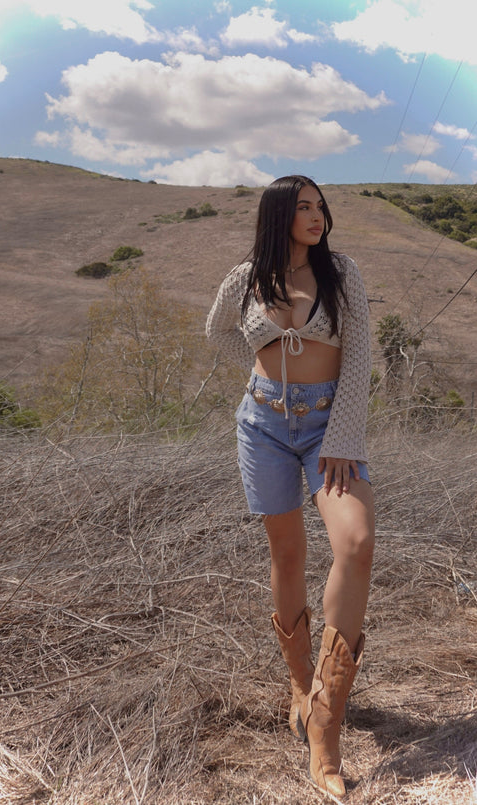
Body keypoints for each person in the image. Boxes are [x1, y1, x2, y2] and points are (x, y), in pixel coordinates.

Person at [206, 175, 375, 799]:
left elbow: (360, 353)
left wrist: (343, 436)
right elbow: (216, 332)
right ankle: (301, 689)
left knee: (354, 544)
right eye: (303, 207)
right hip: (264, 425)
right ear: (278, 214)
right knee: (287, 554)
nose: (318, 215)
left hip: (331, 428)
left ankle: (326, 727)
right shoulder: (246, 276)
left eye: (321, 206)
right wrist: (264, 375)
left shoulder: (342, 273)